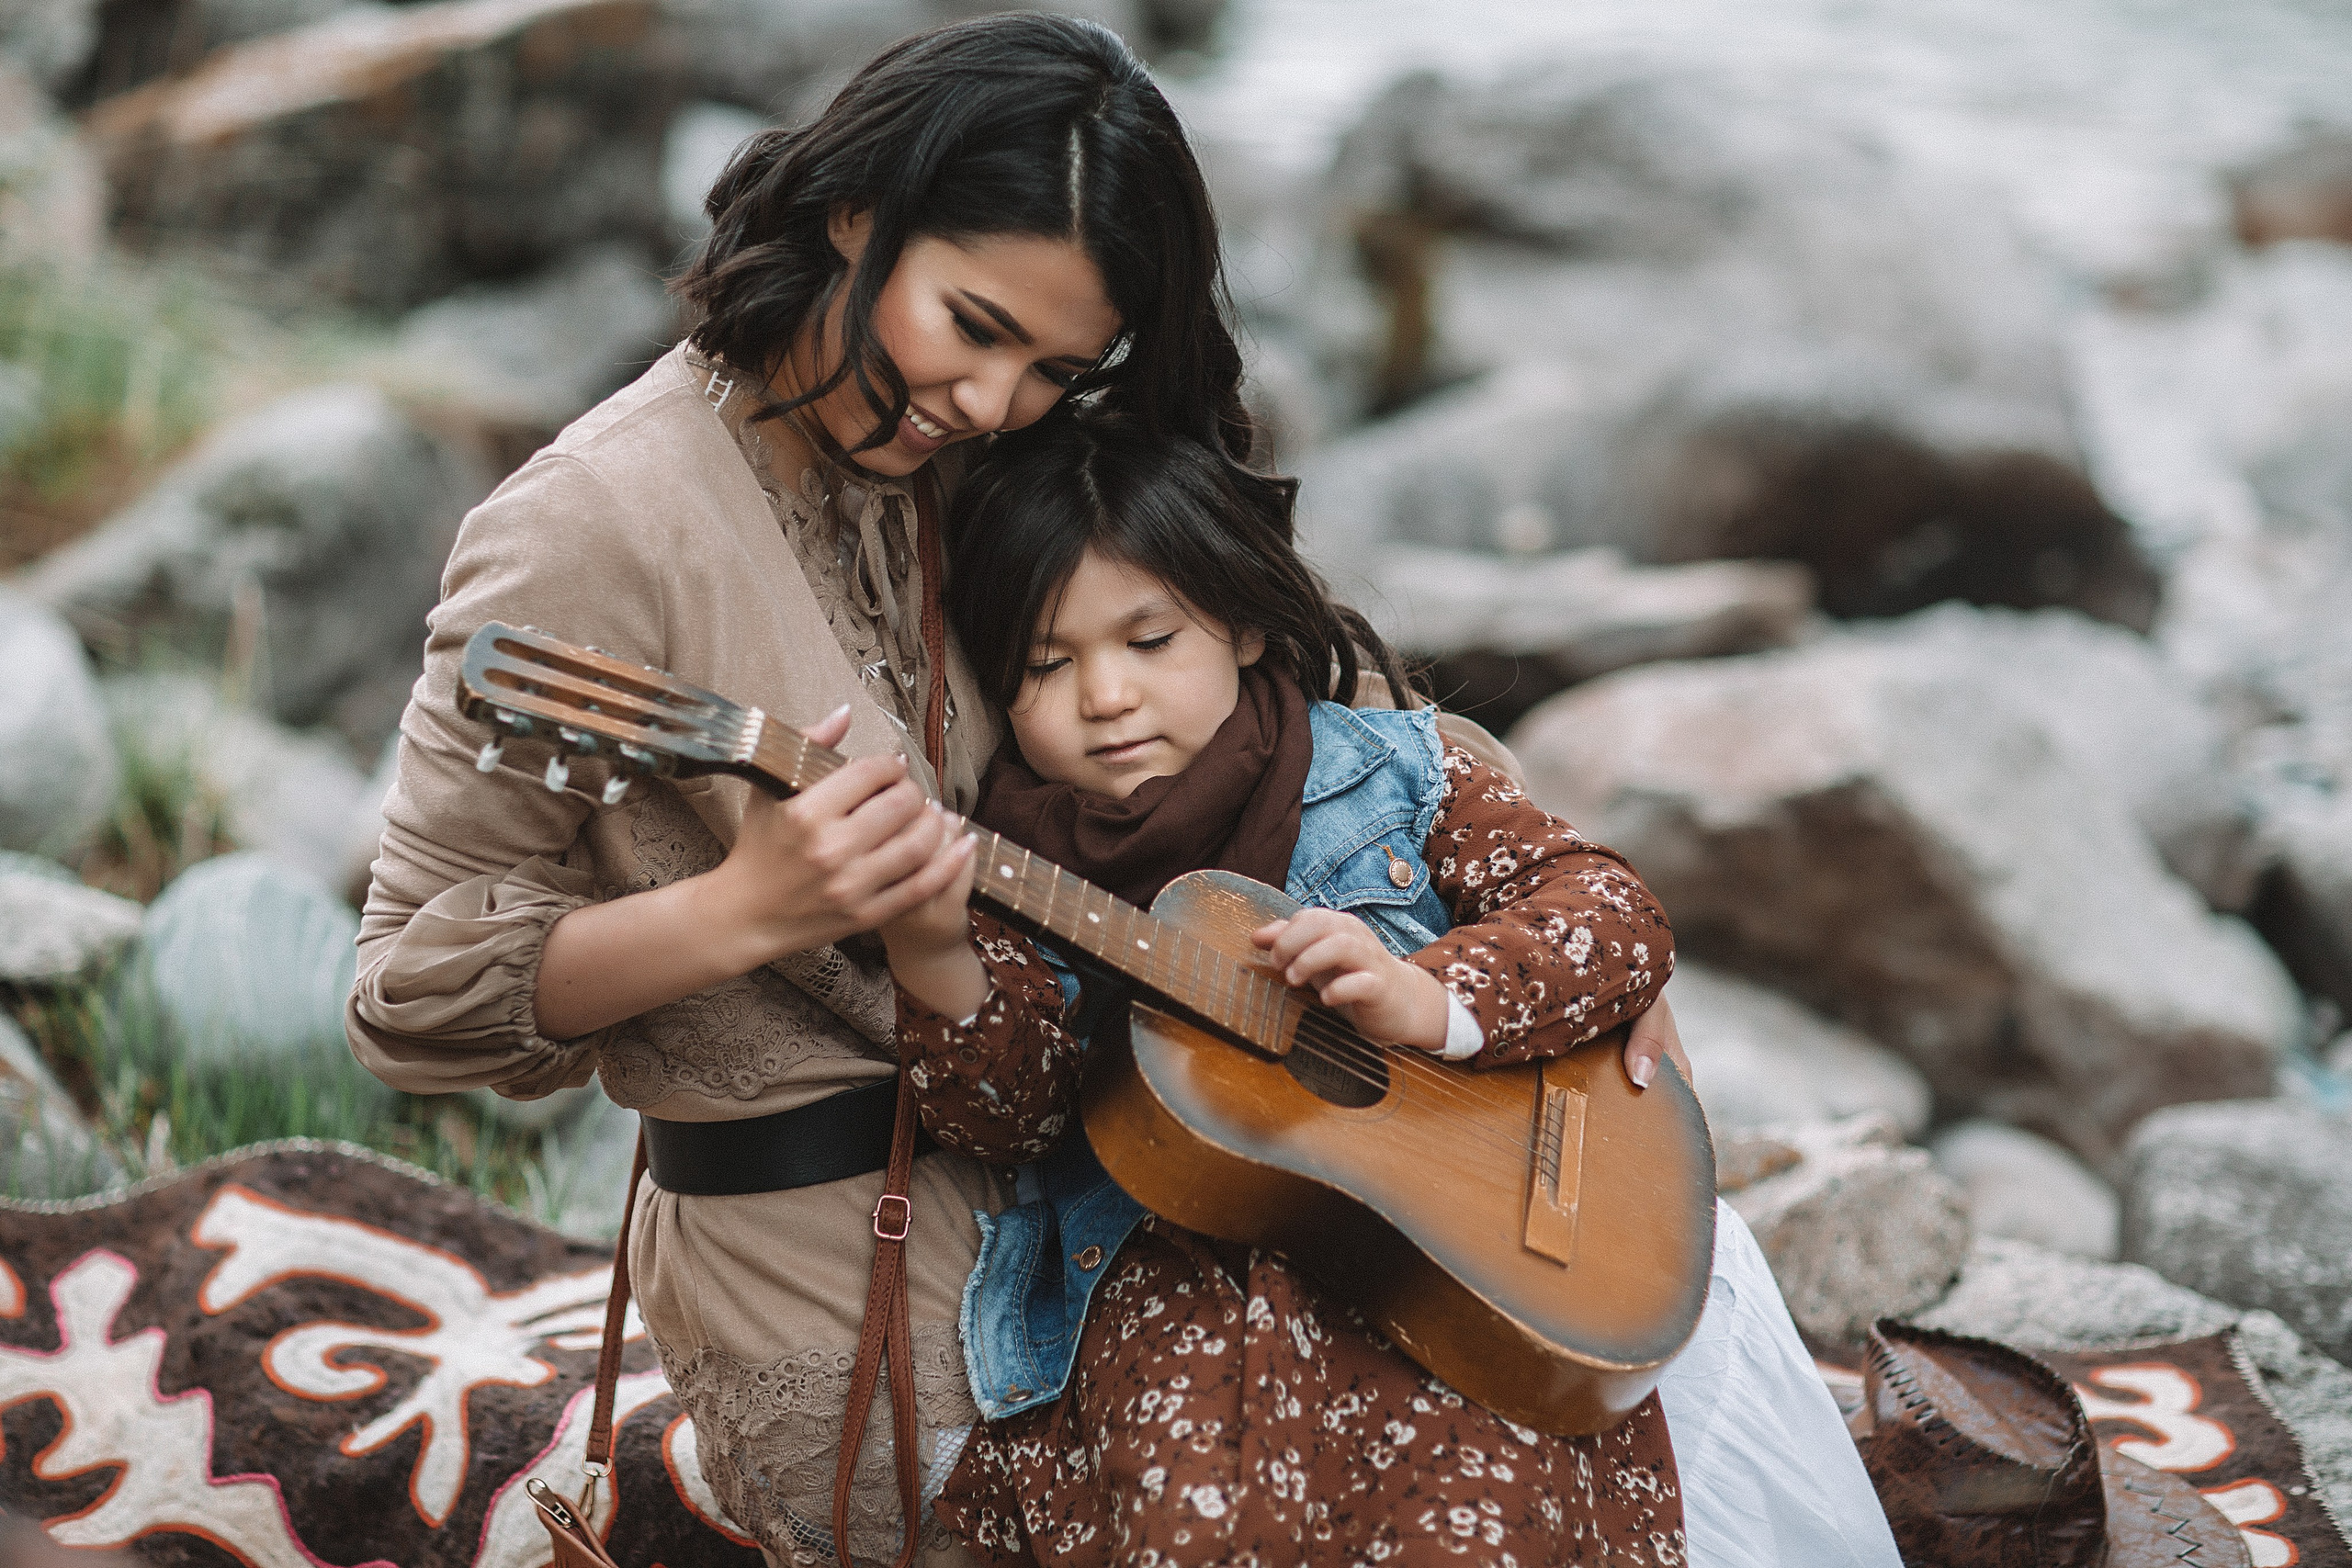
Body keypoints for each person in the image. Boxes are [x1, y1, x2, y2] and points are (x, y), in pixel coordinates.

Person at [345, 13, 1698, 1566]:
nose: (991, 401)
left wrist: (1537, 974)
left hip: (1190, 1177)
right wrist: (747, 910)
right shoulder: (592, 527)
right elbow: (407, 994)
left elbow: (1323, 715)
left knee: (1541, 1407)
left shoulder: (994, 450)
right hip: (849, 1254)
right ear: (855, 210)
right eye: (972, 326)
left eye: (1056, 366)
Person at [868, 409, 1902, 1568]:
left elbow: (1610, 911)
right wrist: (932, 951)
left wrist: (1429, 996)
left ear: (1242, 625)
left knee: (1475, 1502)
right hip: (1176, 1288)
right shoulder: (1010, 870)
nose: (1104, 695)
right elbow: (1006, 1117)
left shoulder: (1396, 771)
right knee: (1198, 1514)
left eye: (1149, 640)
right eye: (1045, 665)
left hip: (1454, 1249)